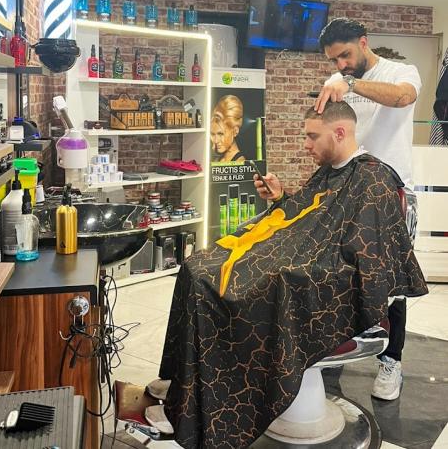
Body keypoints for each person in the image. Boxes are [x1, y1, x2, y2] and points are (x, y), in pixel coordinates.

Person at [144, 102, 427, 449]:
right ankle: (187, 385)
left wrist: (289, 270)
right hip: (305, 262)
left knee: (224, 288)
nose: (306, 145)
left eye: (312, 136)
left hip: (327, 286)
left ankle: (201, 407)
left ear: (339, 133)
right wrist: (281, 198)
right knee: (196, 268)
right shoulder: (329, 171)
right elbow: (311, 217)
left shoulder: (374, 179)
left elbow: (366, 261)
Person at [255, 17, 421, 402]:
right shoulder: (337, 81)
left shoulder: (400, 73)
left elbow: (402, 98)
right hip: (346, 188)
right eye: (334, 60)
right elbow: (331, 133)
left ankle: (391, 361)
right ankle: (333, 354)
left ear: (364, 42)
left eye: (345, 56)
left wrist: (350, 84)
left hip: (389, 192)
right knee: (334, 270)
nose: (340, 65)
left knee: (390, 283)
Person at [210, 94, 246, 163]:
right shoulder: (218, 159)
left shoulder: (240, 162)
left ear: (235, 131)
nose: (216, 141)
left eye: (221, 134)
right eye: (212, 134)